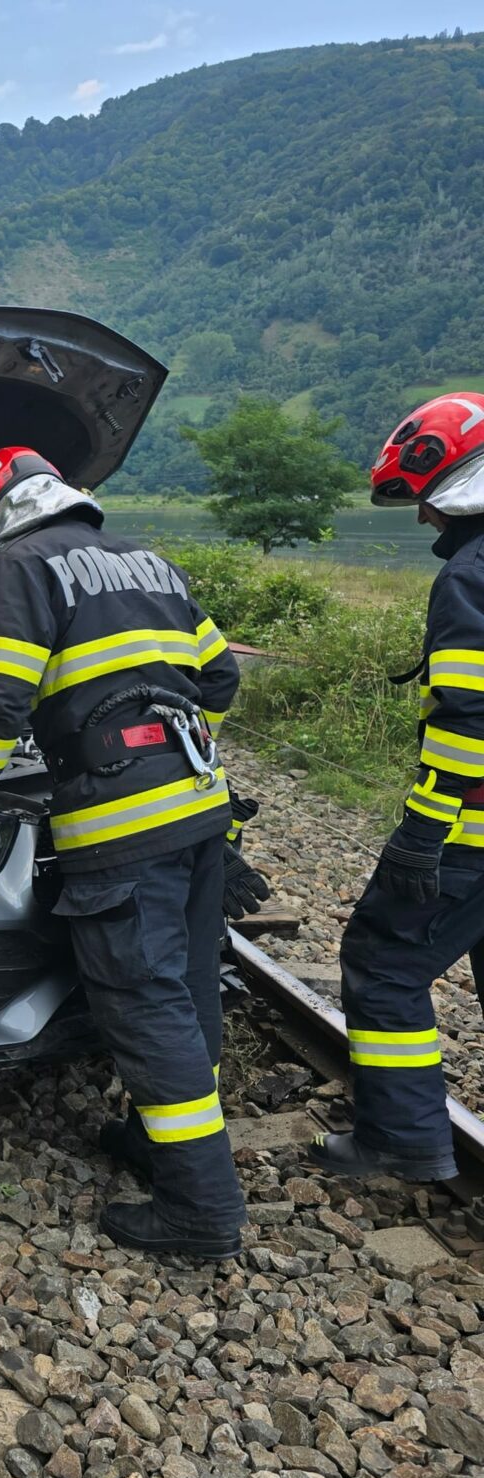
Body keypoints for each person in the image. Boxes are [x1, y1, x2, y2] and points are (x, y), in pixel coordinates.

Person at [0, 447, 248, 1259]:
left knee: (146, 1002)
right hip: (200, 813)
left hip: (121, 824)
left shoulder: (24, 565)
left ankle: (200, 1213)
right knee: (189, 987)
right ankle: (157, 1141)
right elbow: (222, 681)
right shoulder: (149, 562)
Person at [309, 394, 484, 1183]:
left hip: (471, 833)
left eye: (425, 500)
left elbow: (465, 722)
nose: (423, 522)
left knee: (383, 963)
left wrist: (422, 835)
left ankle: (401, 1142)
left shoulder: (471, 576)